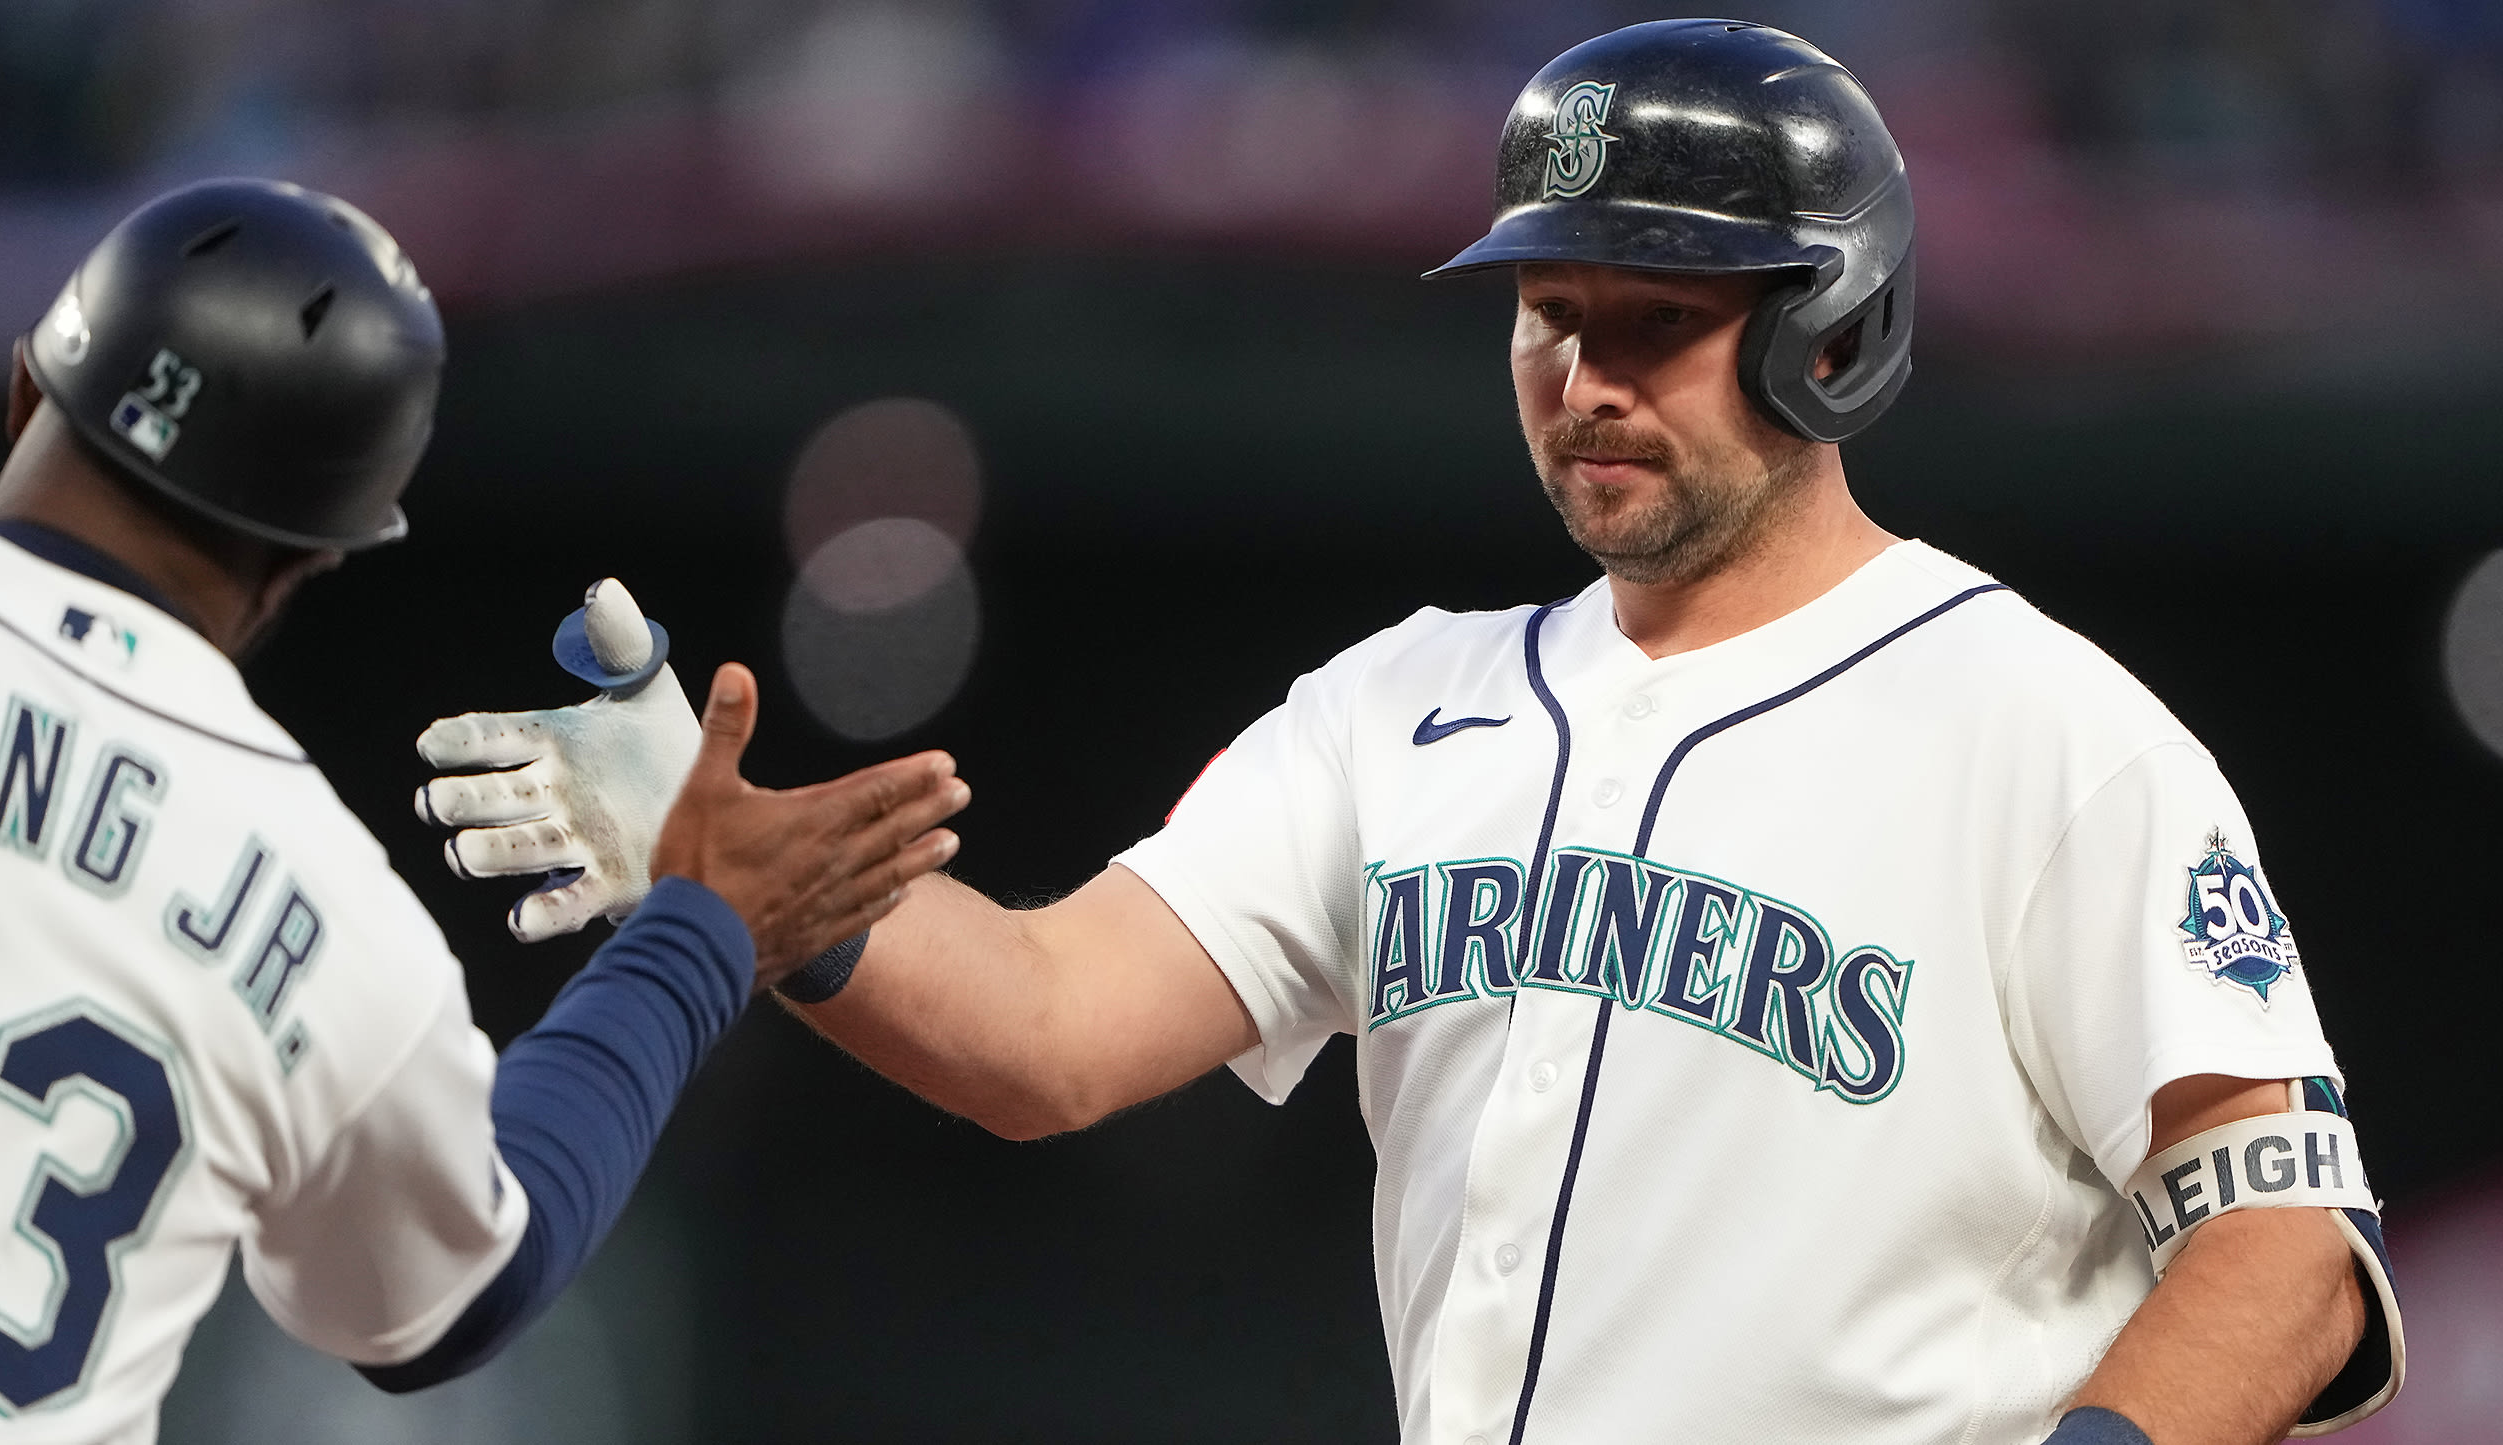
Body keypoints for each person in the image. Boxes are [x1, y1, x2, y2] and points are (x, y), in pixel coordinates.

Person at [420, 21, 2403, 1445]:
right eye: (1551, 309)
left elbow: (2286, 1246)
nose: (1583, 373)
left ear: (1835, 324)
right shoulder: (1404, 703)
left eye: (1659, 315)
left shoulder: (2042, 728)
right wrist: (777, 887)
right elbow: (1045, 1022)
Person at [0, 178, 968, 1443]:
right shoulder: (329, 910)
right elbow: (469, 1289)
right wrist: (705, 932)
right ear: (314, 553)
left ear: (29, 386)